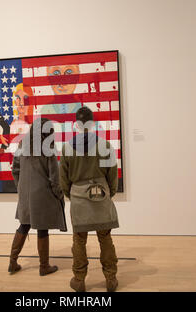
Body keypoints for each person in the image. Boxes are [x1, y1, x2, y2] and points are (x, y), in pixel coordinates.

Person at [59, 106, 119, 292]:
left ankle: (79, 280)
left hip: (78, 197)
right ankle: (110, 279)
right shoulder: (106, 145)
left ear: (76, 125)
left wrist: (73, 195)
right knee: (105, 238)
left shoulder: (67, 148)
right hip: (101, 196)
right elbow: (112, 176)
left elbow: (64, 179)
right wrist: (109, 193)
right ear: (92, 124)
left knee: (79, 240)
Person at [9, 118, 67, 276]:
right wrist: (60, 194)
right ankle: (44, 266)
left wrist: (21, 187)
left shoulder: (22, 145)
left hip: (25, 195)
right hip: (42, 194)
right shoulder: (48, 147)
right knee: (42, 229)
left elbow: (15, 169)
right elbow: (54, 177)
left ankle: (12, 262)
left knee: (24, 225)